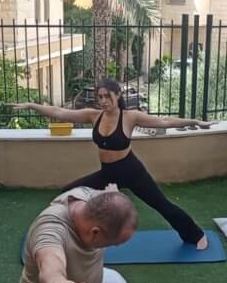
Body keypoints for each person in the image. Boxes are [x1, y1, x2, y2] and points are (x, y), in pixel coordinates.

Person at [11, 78, 212, 250]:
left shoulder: (130, 117)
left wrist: (195, 122)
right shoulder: (94, 115)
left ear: (118, 95)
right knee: (68, 193)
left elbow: (164, 122)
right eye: (100, 97)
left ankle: (196, 235)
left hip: (132, 172)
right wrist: (32, 106)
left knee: (162, 205)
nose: (103, 101)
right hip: (107, 174)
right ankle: (70, 236)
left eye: (107, 96)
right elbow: (59, 112)